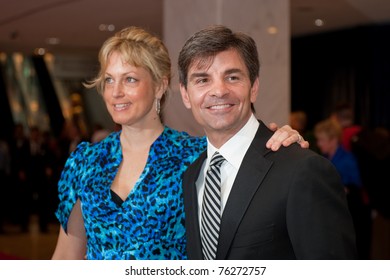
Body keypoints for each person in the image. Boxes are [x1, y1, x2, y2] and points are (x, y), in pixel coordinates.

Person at [51, 26, 308, 260]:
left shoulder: (197, 156)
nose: (116, 91)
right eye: (109, 79)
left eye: (130, 79)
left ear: (160, 85)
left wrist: (280, 139)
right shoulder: (85, 161)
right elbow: (65, 258)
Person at [179, 25, 357, 260]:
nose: (219, 91)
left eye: (232, 77)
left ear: (253, 88)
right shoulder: (192, 175)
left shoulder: (302, 169)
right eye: (202, 80)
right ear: (185, 95)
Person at [314, 118, 371, 259]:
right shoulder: (324, 159)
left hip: (353, 215)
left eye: (321, 140)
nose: (318, 143)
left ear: (333, 140)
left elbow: (356, 187)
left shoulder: (348, 160)